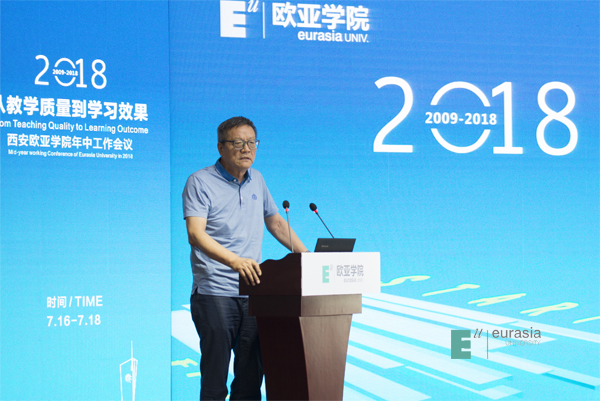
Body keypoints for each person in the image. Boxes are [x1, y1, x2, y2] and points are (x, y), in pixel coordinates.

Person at [182, 116, 308, 400]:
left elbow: (276, 223)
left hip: (254, 292)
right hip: (215, 291)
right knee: (215, 380)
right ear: (221, 147)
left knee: (251, 380)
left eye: (252, 143)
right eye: (238, 143)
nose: (247, 149)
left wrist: (307, 258)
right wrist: (235, 261)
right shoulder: (199, 181)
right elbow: (195, 234)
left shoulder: (257, 179)